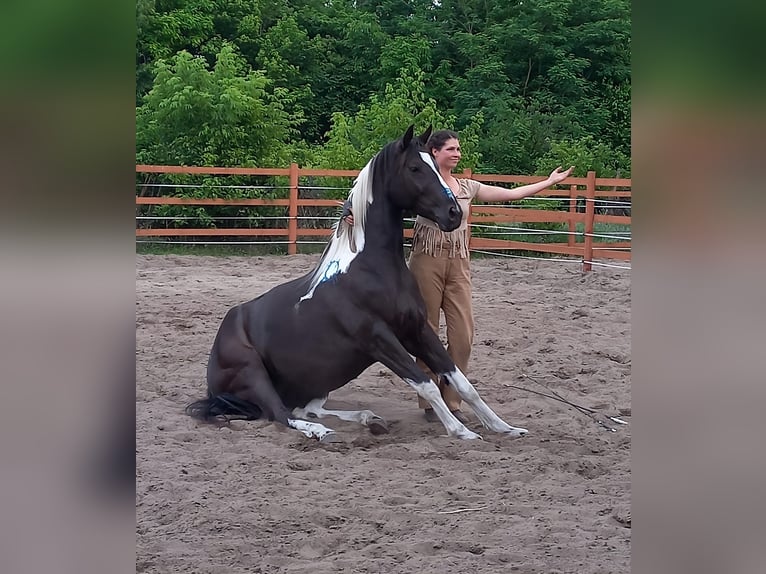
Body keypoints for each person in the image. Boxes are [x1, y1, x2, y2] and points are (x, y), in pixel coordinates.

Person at [344, 130, 573, 423]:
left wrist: (549, 182)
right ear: (434, 152)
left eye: (458, 149)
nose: (457, 153)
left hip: (460, 263)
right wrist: (351, 208)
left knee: (463, 335)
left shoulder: (467, 187)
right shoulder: (421, 182)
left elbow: (511, 194)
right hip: (427, 260)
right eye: (451, 149)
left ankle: (453, 399)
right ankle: (431, 403)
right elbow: (380, 191)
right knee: (425, 330)